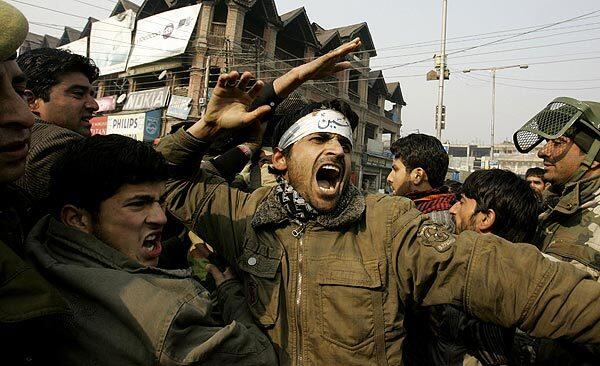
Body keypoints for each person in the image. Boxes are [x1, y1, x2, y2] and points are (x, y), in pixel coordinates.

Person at [158, 70, 600, 365]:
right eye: (319, 139)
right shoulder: (244, 215)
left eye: (345, 144)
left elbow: (498, 275)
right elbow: (159, 181)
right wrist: (204, 130)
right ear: (280, 159)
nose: (337, 150)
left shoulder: (388, 226)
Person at [25, 134, 277, 365]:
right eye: (138, 204)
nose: (160, 217)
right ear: (78, 219)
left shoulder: (37, 244)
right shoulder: (166, 316)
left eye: (160, 201)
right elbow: (259, 358)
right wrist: (231, 293)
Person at [404, 169, 539, 366]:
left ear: (485, 218)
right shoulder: (522, 274)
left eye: (463, 202)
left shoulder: (476, 290)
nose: (452, 209)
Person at [0, 2, 70, 364]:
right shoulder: (52, 153)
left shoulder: (12, 208)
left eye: (17, 90)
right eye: (77, 93)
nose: (23, 117)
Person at [514, 97, 599, 278]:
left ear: (594, 157)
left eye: (558, 143)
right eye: (547, 142)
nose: (543, 151)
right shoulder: (551, 202)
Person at [14, 48, 99, 219]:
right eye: (78, 94)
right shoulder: (58, 145)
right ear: (31, 101)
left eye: (92, 94)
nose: (94, 105)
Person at [387, 133, 456, 231]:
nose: (389, 178)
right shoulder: (414, 212)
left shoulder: (435, 223)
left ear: (417, 175)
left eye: (395, 169)